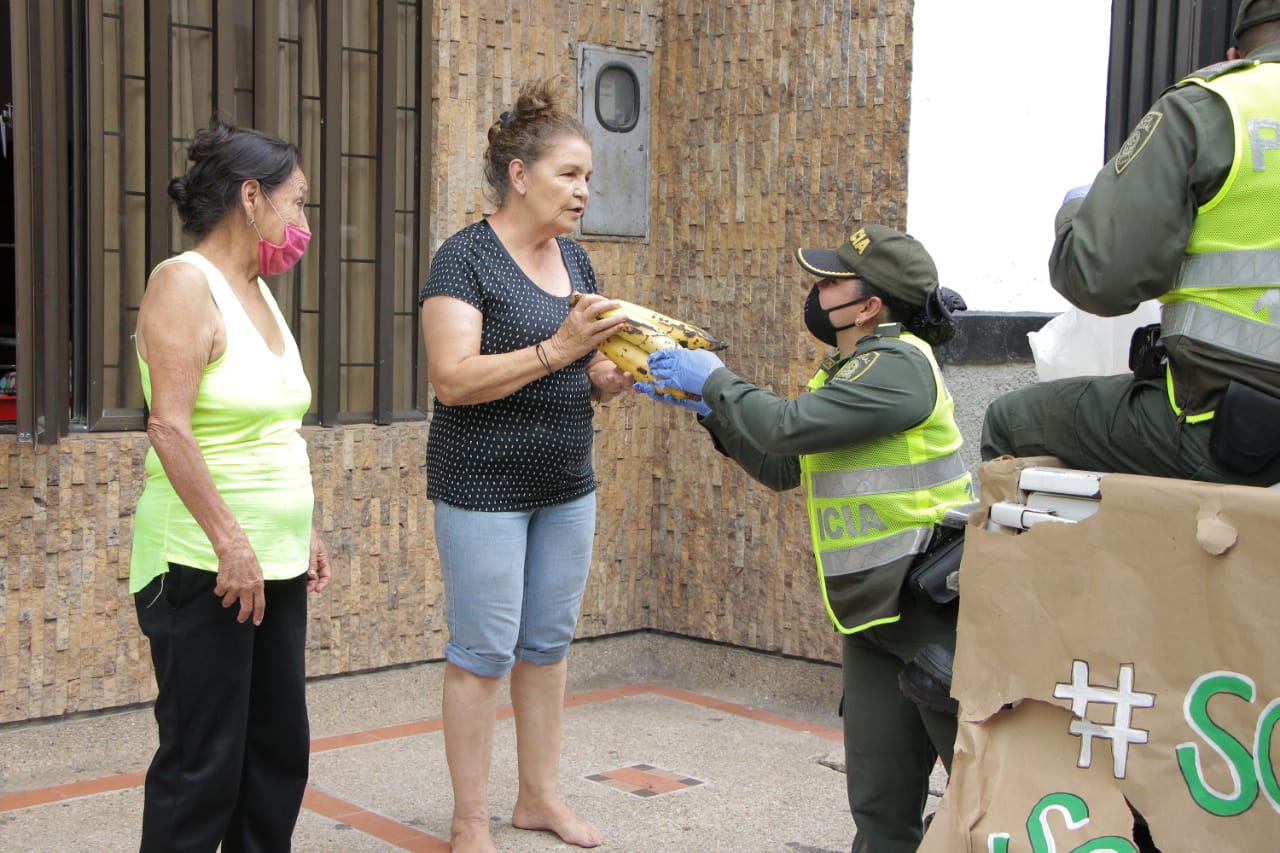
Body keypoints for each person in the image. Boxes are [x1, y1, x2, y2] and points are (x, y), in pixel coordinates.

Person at [639, 224, 973, 853]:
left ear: (869, 305)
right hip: (871, 616)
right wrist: (710, 409)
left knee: (982, 793)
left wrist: (714, 379)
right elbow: (782, 466)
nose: (817, 290)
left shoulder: (898, 367)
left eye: (831, 280)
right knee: (878, 806)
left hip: (934, 612)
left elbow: (787, 427)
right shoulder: (848, 371)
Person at [417, 78, 632, 853]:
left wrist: (605, 378)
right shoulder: (463, 259)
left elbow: (585, 370)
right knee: (481, 655)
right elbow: (452, 377)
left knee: (546, 647)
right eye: (570, 175)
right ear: (519, 174)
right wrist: (559, 352)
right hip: (483, 490)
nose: (582, 192)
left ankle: (538, 797)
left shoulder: (575, 259)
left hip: (566, 486)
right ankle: (469, 820)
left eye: (588, 179)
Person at [128, 117, 332, 852]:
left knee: (277, 752)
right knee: (202, 763)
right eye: (298, 201)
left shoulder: (258, 291)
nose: (302, 221)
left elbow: (270, 427)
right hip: (201, 561)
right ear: (252, 196)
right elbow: (170, 427)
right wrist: (230, 540)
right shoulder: (183, 283)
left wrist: (300, 527)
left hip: (268, 559)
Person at [981, 0, 1280, 487]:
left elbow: (1100, 280)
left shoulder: (1213, 104)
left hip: (1237, 432)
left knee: (1014, 421)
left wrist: (1078, 212)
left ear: (1236, 53)